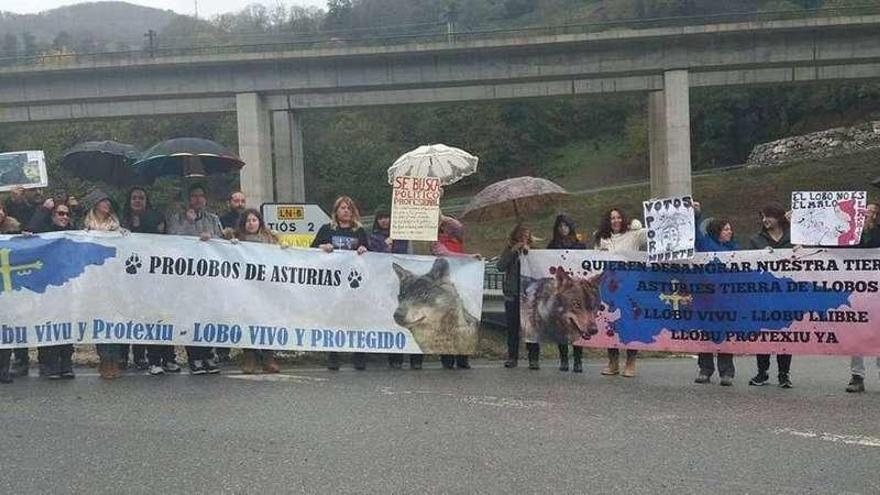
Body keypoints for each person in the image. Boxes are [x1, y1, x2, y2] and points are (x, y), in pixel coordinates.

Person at [120, 187, 180, 376]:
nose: (138, 201)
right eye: (134, 198)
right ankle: (149, 358)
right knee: (142, 316)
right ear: (129, 201)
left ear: (147, 200)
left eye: (141, 198)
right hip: (131, 278)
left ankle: (168, 358)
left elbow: (164, 239)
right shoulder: (122, 220)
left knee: (161, 316)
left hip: (157, 275)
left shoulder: (156, 216)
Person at [166, 184, 223, 375]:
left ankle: (208, 354)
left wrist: (212, 237)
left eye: (201, 196)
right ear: (188, 199)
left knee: (208, 316)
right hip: (187, 276)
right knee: (191, 315)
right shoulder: (177, 218)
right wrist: (188, 223)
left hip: (209, 275)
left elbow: (222, 242)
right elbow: (172, 239)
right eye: (194, 196)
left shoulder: (213, 219)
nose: (198, 199)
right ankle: (194, 357)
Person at [311, 196, 369, 371]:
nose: (346, 211)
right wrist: (322, 247)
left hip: (353, 283)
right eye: (342, 208)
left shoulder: (359, 231)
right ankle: (333, 355)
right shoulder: (326, 229)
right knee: (334, 318)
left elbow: (372, 256)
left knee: (356, 319)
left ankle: (358, 355)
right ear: (336, 211)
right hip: (333, 283)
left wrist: (364, 249)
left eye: (349, 208)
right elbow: (310, 250)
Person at [594, 208, 646, 377]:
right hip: (609, 287)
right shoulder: (603, 238)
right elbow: (594, 259)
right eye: (612, 218)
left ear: (623, 219)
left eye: (618, 217)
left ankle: (630, 362)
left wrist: (640, 226)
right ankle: (613, 362)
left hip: (630, 286)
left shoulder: (633, 235)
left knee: (630, 322)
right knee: (611, 323)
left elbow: (652, 234)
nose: (615, 221)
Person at [28, 200, 76, 379]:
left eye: (67, 214)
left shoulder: (73, 233)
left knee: (66, 325)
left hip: (67, 286)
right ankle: (49, 363)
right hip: (47, 286)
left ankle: (66, 362)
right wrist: (43, 209)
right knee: (48, 324)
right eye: (60, 213)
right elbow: (31, 229)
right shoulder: (44, 232)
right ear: (52, 215)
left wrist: (77, 207)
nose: (64, 217)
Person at [82, 190, 127, 380]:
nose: (107, 204)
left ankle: (114, 360)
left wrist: (125, 236)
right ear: (95, 205)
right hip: (94, 281)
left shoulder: (117, 227)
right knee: (99, 321)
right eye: (103, 201)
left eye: (109, 202)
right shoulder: (84, 228)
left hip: (114, 280)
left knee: (114, 320)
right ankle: (103, 359)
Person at [748, 203, 794, 389]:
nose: (765, 220)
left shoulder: (794, 237)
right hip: (764, 294)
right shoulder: (756, 240)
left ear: (779, 217)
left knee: (785, 334)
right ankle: (762, 372)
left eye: (769, 216)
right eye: (762, 217)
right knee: (764, 334)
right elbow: (748, 264)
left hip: (788, 293)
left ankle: (784, 374)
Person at [692, 201, 737, 386]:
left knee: (724, 335)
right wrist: (696, 216)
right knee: (706, 334)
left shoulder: (735, 248)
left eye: (730, 229)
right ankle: (705, 369)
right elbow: (694, 236)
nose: (729, 232)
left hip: (726, 299)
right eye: (726, 229)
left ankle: (726, 372)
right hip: (706, 298)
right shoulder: (706, 245)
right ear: (717, 231)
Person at [369, 206, 419, 369]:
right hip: (386, 283)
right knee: (393, 319)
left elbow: (405, 257)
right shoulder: (374, 237)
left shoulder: (403, 236)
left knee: (412, 318)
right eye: (381, 218)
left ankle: (415, 358)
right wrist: (386, 246)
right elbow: (376, 258)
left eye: (387, 217)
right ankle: (395, 357)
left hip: (404, 283)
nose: (384, 221)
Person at [234, 209, 282, 374]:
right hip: (245, 288)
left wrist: (285, 249)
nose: (251, 223)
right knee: (248, 322)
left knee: (267, 322)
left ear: (260, 222)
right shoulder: (237, 239)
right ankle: (250, 358)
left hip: (266, 289)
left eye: (254, 220)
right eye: (248, 220)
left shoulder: (271, 239)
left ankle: (268, 358)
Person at [431, 215, 480, 370]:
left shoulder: (457, 238)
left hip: (461, 285)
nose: (447, 228)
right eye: (443, 226)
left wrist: (443, 217)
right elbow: (445, 255)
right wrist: (468, 257)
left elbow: (458, 226)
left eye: (447, 226)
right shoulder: (435, 242)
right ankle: (447, 358)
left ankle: (462, 357)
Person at [546, 214, 587, 372]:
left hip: (576, 290)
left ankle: (578, 360)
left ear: (570, 227)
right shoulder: (552, 245)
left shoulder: (580, 245)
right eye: (560, 226)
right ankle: (563, 359)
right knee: (561, 325)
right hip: (560, 291)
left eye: (566, 226)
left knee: (577, 324)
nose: (563, 229)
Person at [846, 201, 880, 393]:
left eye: (874, 212)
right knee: (856, 333)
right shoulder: (850, 234)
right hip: (856, 290)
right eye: (867, 211)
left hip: (877, 289)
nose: (870, 214)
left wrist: (870, 229)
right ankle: (857, 376)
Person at [215, 191, 247, 363]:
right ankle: (222, 351)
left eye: (242, 201)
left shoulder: (251, 219)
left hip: (246, 273)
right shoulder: (222, 219)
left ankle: (249, 351)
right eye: (236, 200)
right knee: (225, 310)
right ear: (230, 202)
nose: (240, 204)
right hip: (227, 270)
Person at [497, 223, 532, 369]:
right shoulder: (509, 248)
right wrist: (512, 251)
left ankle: (533, 357)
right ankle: (512, 357)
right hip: (513, 293)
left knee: (530, 328)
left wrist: (529, 253)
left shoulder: (534, 249)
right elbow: (500, 266)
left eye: (527, 234)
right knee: (512, 327)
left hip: (528, 294)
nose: (524, 237)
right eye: (521, 234)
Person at [0, 203, 22, 384]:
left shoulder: (11, 232)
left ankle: (4, 369)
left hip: (7, 290)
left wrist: (28, 238)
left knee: (6, 329)